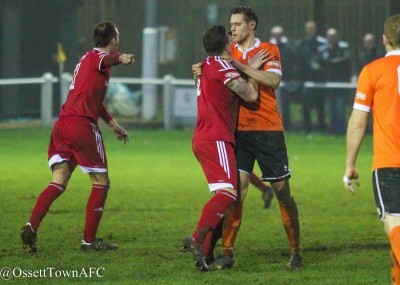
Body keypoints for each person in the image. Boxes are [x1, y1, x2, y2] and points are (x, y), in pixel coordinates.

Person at [194, 6, 302, 271]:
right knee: (236, 193)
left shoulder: (267, 50)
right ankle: (227, 252)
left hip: (268, 129)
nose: (233, 28)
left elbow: (273, 81)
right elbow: (216, 76)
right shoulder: (226, 54)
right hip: (238, 132)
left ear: (251, 25)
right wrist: (201, 70)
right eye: (231, 24)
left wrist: (241, 66)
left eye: (238, 24)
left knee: (282, 192)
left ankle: (295, 250)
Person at [20, 22, 134, 253]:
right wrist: (121, 58)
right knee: (101, 182)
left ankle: (31, 226)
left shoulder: (85, 59)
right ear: (113, 39)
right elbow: (107, 59)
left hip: (63, 125)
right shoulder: (98, 58)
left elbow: (94, 100)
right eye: (118, 36)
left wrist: (113, 124)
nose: (118, 40)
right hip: (81, 125)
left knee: (59, 180)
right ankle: (89, 242)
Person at [182, 25, 259, 271]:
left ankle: (205, 255)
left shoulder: (205, 65)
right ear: (226, 45)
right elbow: (250, 95)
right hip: (216, 138)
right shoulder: (223, 67)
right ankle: (196, 238)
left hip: (204, 137)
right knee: (228, 195)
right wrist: (253, 70)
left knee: (224, 196)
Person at [343, 14, 400, 284]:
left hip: (389, 164)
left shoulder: (373, 70)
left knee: (395, 225)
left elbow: (357, 123)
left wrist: (349, 165)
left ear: (384, 39)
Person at [295, 20, 328, 133]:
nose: (310, 31)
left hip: (319, 80)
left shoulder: (323, 43)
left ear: (315, 30)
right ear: (306, 30)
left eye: (312, 29)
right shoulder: (302, 43)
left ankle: (322, 129)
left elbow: (326, 60)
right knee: (306, 106)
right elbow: (299, 61)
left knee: (320, 106)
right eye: (309, 29)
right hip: (307, 80)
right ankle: (307, 130)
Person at [320, 28, 351, 135]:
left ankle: (341, 130)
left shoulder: (344, 47)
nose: (332, 38)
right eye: (330, 36)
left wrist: (332, 62)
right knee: (331, 108)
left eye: (333, 36)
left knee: (340, 108)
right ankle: (332, 131)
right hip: (329, 84)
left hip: (341, 84)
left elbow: (346, 60)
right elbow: (324, 62)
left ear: (337, 36)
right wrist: (336, 61)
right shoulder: (323, 49)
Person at [269, 25, 300, 131]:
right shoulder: (269, 45)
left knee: (285, 105)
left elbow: (292, 63)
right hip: (272, 79)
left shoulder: (288, 47)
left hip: (285, 80)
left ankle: (286, 126)